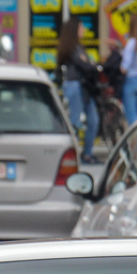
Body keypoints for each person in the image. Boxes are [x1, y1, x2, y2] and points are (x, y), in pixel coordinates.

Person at [58, 16, 100, 164]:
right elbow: (86, 65)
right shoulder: (72, 48)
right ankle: (72, 155)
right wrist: (90, 63)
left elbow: (87, 63)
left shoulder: (79, 47)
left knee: (93, 121)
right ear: (74, 30)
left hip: (85, 87)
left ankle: (87, 153)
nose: (83, 30)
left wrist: (89, 62)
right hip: (75, 85)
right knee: (75, 122)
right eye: (81, 28)